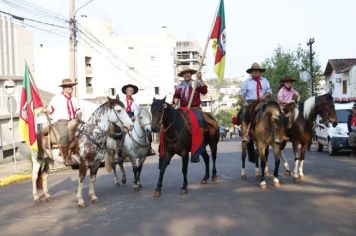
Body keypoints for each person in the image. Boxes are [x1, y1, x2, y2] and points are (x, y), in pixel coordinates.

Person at [43, 78, 82, 166]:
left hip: (73, 120)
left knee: (83, 132)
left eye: (72, 86)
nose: (71, 88)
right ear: (64, 88)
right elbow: (51, 108)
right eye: (69, 86)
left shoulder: (74, 99)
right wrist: (47, 110)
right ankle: (66, 157)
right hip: (61, 121)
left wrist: (79, 115)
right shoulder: (57, 98)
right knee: (65, 135)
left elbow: (78, 110)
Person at [119, 84, 155, 156]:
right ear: (126, 91)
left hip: (133, 117)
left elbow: (136, 111)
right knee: (120, 131)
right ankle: (119, 148)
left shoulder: (135, 102)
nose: (130, 92)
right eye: (129, 90)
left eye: (132, 91)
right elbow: (121, 111)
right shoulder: (122, 101)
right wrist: (127, 118)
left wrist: (135, 117)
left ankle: (149, 148)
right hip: (124, 118)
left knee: (146, 129)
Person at [239, 63, 272, 143]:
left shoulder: (265, 81)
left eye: (258, 70)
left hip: (263, 101)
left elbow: (269, 92)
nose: (256, 72)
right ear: (251, 72)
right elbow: (241, 94)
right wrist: (245, 102)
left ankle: (276, 133)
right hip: (250, 102)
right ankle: (245, 134)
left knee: (274, 113)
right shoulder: (246, 82)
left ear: (260, 72)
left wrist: (263, 97)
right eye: (254, 71)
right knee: (244, 114)